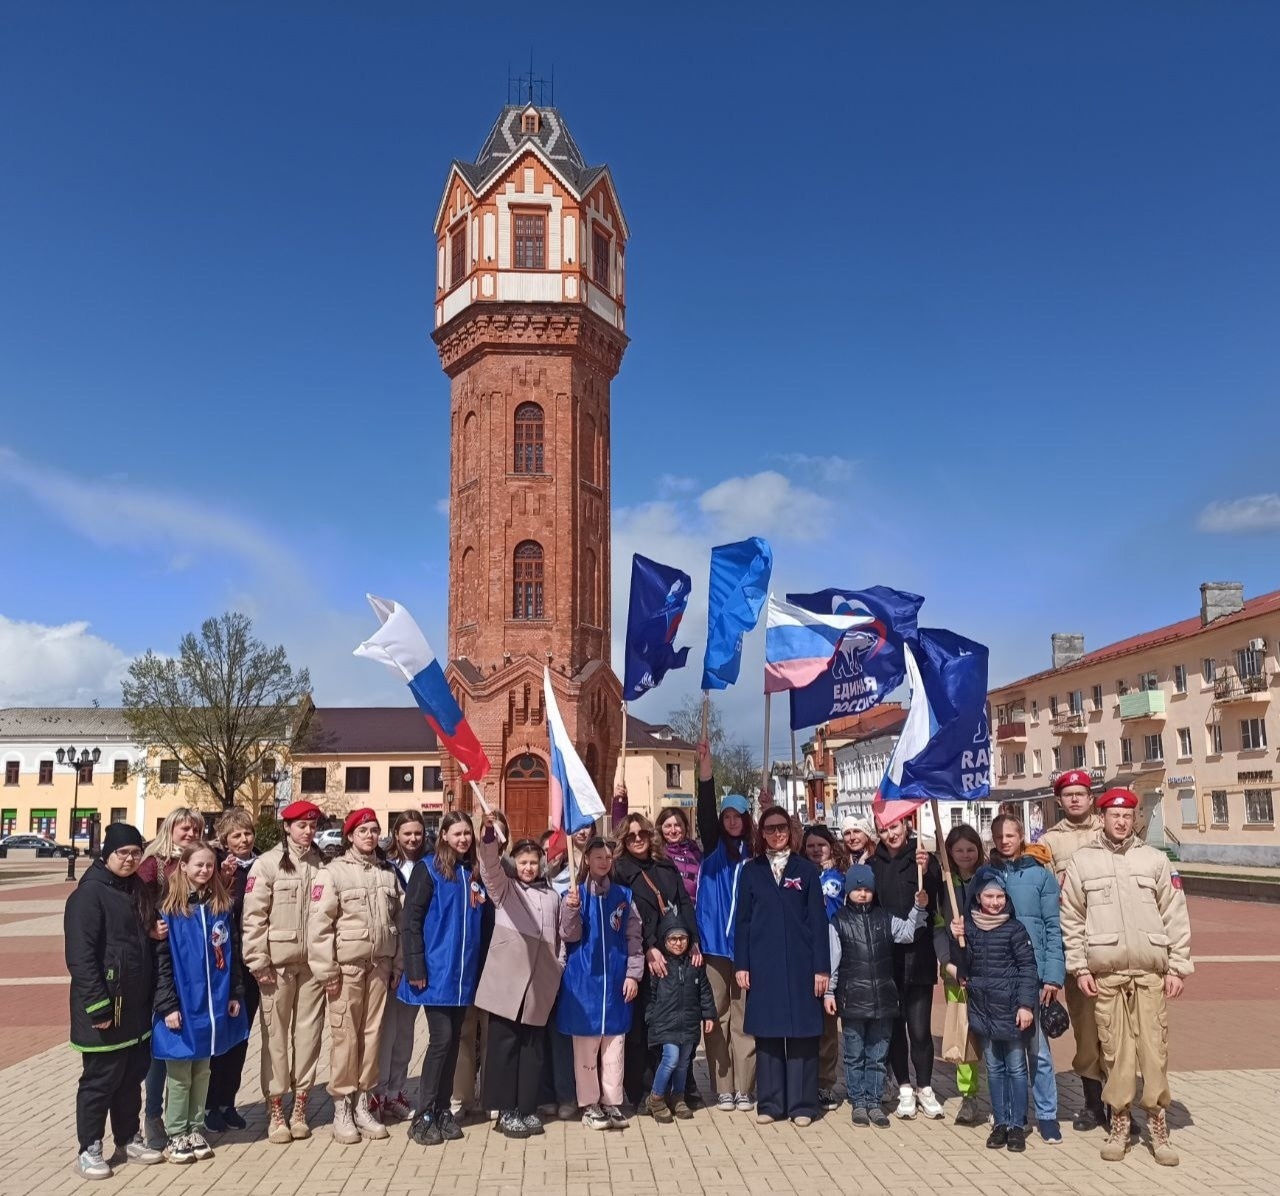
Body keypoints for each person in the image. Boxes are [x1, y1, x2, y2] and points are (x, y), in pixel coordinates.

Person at [1060, 788, 1193, 1167]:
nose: (1121, 822)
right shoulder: (1083, 862)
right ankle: (1120, 1123)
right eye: (1114, 815)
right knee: (1115, 1054)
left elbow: (1175, 914)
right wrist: (1080, 967)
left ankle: (1158, 1125)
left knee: (1154, 1051)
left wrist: (1178, 966)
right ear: (1101, 817)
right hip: (1106, 976)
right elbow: (1071, 918)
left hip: (1150, 974)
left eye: (1127, 816)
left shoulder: (1154, 859)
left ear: (1135, 819)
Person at [65, 822, 166, 1180]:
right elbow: (81, 956)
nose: (129, 860)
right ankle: (89, 1147)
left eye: (136, 854)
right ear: (107, 854)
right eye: (123, 854)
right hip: (105, 1007)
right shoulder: (88, 895)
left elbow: (135, 934)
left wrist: (152, 931)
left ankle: (127, 1137)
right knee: (100, 1081)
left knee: (130, 1077)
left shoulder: (134, 888)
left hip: (135, 1005)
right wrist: (98, 1006)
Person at [308, 809, 402, 1146]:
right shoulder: (332, 874)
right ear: (350, 835)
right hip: (346, 969)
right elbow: (319, 926)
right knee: (345, 1036)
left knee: (373, 1035)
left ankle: (364, 1102)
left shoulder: (387, 875)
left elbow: (399, 922)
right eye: (363, 830)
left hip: (380, 966)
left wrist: (399, 964)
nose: (370, 836)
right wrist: (326, 970)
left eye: (375, 830)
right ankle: (341, 1107)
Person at [153, 843, 249, 1164]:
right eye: (198, 865)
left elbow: (232, 954)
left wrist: (235, 993)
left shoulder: (220, 906)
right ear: (183, 866)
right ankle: (175, 1133)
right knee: (180, 1074)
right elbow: (162, 963)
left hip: (213, 1005)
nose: (205, 871)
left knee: (203, 1070)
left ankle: (195, 1128)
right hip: (182, 1005)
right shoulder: (170, 910)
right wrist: (167, 1006)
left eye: (210, 865)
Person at [734, 808, 830, 1127]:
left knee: (802, 1034)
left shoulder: (806, 870)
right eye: (770, 829)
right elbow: (743, 922)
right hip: (764, 963)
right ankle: (772, 1102)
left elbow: (818, 922)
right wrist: (742, 965)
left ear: (790, 831)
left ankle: (803, 1104)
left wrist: (822, 969)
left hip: (802, 963)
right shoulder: (751, 871)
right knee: (769, 1034)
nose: (777, 834)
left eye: (782, 828)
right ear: (761, 834)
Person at [398, 810, 486, 1147]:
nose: (463, 839)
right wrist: (416, 968)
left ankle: (442, 1108)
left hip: (463, 976)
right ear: (444, 835)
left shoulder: (470, 871)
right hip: (436, 973)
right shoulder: (429, 869)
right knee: (441, 1040)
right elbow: (411, 921)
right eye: (457, 833)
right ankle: (424, 1113)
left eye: (468, 833)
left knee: (452, 1044)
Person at [241, 800, 325, 1144]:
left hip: (313, 966)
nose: (308, 831)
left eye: (312, 825)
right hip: (276, 966)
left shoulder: (323, 864)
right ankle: (275, 1107)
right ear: (287, 827)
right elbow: (253, 917)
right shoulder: (267, 865)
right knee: (276, 1038)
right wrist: (257, 960)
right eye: (301, 825)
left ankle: (300, 1105)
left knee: (308, 1037)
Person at [475, 818, 563, 1139]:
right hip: (507, 983)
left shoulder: (552, 895)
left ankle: (526, 1107)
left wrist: (558, 964)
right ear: (515, 863)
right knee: (503, 1046)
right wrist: (487, 837)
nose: (528, 868)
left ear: (541, 864)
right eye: (523, 862)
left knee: (532, 1048)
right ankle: (505, 1110)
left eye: (533, 862)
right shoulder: (505, 889)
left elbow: (561, 936)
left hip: (539, 983)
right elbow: (489, 867)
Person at [824, 864, 927, 1129]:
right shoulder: (839, 922)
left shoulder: (885, 918)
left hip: (882, 999)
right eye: (857, 888)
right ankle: (858, 1101)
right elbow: (833, 962)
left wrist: (919, 908)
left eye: (867, 889)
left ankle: (874, 1101)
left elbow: (907, 932)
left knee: (877, 1055)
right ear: (848, 891)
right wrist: (829, 992)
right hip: (852, 999)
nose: (862, 893)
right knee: (854, 1054)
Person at [612, 811, 700, 1112]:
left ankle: (680, 1089)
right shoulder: (620, 870)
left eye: (642, 834)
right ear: (624, 840)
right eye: (631, 836)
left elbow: (684, 904)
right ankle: (644, 1091)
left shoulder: (665, 865)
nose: (638, 839)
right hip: (642, 956)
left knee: (675, 1022)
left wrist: (693, 940)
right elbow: (624, 915)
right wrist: (649, 948)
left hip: (674, 954)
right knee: (643, 1028)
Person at [948, 868, 1039, 1153]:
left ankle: (1017, 1124)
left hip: (1011, 1011)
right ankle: (1000, 1122)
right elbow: (963, 969)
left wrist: (1026, 1005)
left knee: (1015, 1068)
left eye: (1000, 895)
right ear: (978, 896)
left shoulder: (1014, 929)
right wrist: (956, 939)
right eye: (989, 895)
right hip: (983, 1010)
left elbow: (1028, 968)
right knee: (995, 1070)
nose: (996, 901)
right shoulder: (970, 928)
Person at [988, 813, 1066, 1143]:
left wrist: (1052, 975)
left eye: (1010, 835)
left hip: (1031, 974)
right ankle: (1012, 1115)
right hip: (997, 974)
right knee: (1005, 1052)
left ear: (1021, 836)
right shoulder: (987, 876)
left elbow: (1052, 927)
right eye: (999, 836)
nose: (1005, 841)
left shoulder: (1040, 876)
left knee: (1038, 1051)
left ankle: (1047, 1114)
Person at [558, 836, 644, 1131]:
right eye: (597, 857)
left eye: (608, 857)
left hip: (617, 982)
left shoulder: (624, 896)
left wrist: (633, 973)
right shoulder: (575, 894)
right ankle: (590, 1104)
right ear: (586, 860)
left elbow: (634, 938)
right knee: (586, 1047)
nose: (603, 862)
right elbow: (568, 935)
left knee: (614, 1047)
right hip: (584, 983)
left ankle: (611, 1101)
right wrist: (570, 909)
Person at [1039, 768, 1107, 1131]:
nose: (1076, 799)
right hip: (1075, 947)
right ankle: (1093, 1105)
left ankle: (1120, 1105)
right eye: (1069, 795)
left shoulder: (1108, 829)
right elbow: (1045, 895)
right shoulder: (1050, 842)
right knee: (1085, 1029)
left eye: (1081, 793)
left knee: (1118, 1029)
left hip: (1112, 946)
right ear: (1060, 800)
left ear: (1092, 797)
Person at [694, 740, 757, 1112]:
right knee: (717, 1016)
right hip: (715, 945)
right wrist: (706, 770)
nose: (732, 821)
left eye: (739, 815)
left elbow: (790, 839)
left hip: (747, 947)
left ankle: (744, 1086)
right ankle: (722, 1087)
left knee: (745, 1016)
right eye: (727, 815)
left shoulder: (757, 854)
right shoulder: (713, 849)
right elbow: (703, 810)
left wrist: (769, 805)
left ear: (747, 820)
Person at [138, 807, 205, 1149]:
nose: (190, 832)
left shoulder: (201, 860)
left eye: (195, 827)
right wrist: (151, 923)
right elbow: (138, 900)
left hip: (191, 962)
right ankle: (153, 1116)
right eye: (184, 827)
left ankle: (189, 1118)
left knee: (190, 1047)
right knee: (162, 1045)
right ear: (171, 829)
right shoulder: (154, 864)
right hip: (161, 958)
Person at [871, 814, 946, 1120]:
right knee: (895, 1027)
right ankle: (903, 1086)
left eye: (895, 827)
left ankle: (925, 1087)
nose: (891, 834)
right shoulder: (873, 864)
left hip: (919, 955)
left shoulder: (921, 857)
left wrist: (927, 871)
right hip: (887, 957)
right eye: (885, 829)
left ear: (906, 826)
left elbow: (938, 896)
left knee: (919, 1029)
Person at [204, 807, 258, 1133]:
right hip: (224, 963)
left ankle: (228, 1102)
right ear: (225, 839)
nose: (244, 839)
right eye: (236, 835)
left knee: (241, 1037)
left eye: (247, 832)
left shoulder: (263, 865)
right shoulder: (218, 868)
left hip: (251, 964)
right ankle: (210, 1104)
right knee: (220, 1036)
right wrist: (222, 881)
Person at [373, 811, 428, 1123]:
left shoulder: (430, 863)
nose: (412, 839)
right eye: (407, 833)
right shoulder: (385, 867)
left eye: (417, 833)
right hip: (391, 958)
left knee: (406, 1032)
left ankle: (396, 1091)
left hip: (416, 960)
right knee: (387, 1030)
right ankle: (378, 1092)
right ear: (396, 834)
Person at [539, 822, 595, 1120]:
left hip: (576, 962)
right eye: (577, 826)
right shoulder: (541, 877)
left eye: (588, 826)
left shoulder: (585, 872)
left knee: (565, 1032)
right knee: (542, 1031)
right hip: (542, 964)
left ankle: (568, 1094)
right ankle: (545, 1092)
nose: (582, 832)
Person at [644, 910, 715, 1123]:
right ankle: (656, 1097)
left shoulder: (694, 965)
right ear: (664, 940)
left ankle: (678, 1097)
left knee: (684, 1062)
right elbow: (651, 994)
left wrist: (709, 1015)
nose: (678, 943)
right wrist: (650, 1017)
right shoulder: (660, 965)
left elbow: (705, 991)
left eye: (682, 938)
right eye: (672, 939)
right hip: (665, 1024)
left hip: (689, 1024)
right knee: (671, 1059)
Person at [937, 824, 984, 1126]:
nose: (965, 855)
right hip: (957, 969)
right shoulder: (946, 885)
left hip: (988, 968)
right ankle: (969, 1095)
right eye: (959, 850)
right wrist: (947, 962)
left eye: (970, 849)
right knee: (962, 1032)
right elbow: (937, 927)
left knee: (993, 1035)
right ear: (950, 854)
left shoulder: (988, 879)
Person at [803, 824, 848, 1112]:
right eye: (810, 846)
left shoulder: (836, 878)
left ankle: (825, 1083)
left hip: (830, 954)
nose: (816, 850)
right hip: (801, 955)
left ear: (831, 847)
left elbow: (830, 909)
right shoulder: (795, 873)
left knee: (827, 1027)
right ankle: (803, 1081)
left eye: (821, 845)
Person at [656, 807, 702, 905]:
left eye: (677, 825)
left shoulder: (696, 852)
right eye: (668, 826)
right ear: (661, 828)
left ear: (685, 826)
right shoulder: (656, 854)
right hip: (673, 914)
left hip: (696, 911)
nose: (673, 830)